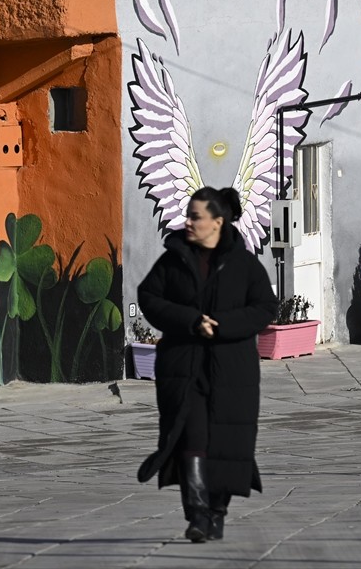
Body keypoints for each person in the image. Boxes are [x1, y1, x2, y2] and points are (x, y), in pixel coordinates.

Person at [136, 186, 278, 543]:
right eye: (188, 215)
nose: (188, 222)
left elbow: (265, 308)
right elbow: (149, 297)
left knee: (226, 445)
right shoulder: (173, 259)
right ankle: (198, 515)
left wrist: (223, 325)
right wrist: (190, 320)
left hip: (232, 371)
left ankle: (217, 512)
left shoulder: (244, 264)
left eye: (195, 216)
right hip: (183, 368)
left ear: (217, 221)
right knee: (191, 437)